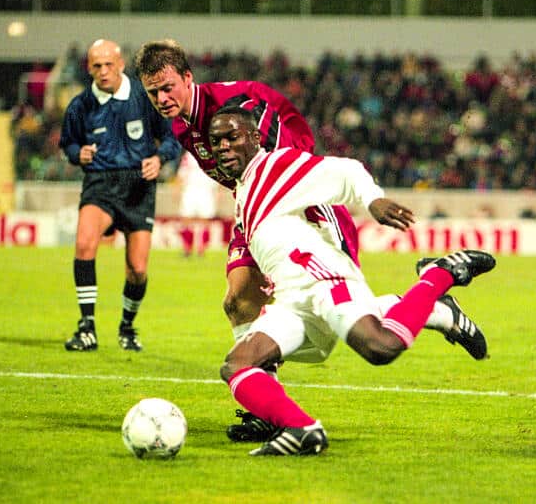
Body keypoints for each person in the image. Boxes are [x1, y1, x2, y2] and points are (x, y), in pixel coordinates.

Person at [134, 39, 487, 441]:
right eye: (153, 93)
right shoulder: (182, 125)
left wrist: (317, 195)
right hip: (253, 209)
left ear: (187, 78)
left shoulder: (238, 104)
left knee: (342, 312)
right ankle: (265, 410)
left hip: (300, 203)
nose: (162, 99)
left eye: (167, 88)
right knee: (239, 301)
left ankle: (434, 307)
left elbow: (289, 148)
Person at [208, 106, 496, 456]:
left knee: (380, 346)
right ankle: (302, 430)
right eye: (216, 142)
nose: (223, 147)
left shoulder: (273, 166)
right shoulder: (244, 189)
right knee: (238, 364)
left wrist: (373, 200)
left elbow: (346, 170)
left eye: (232, 137)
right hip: (292, 300)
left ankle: (440, 274)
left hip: (322, 279)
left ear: (255, 138)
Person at [60, 39, 180, 352]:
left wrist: (159, 159)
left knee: (137, 269)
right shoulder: (80, 105)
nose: (103, 71)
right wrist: (78, 154)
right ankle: (87, 327)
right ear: (89, 68)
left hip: (138, 186)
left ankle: (127, 326)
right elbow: (68, 143)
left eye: (108, 65)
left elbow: (171, 138)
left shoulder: (145, 97)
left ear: (121, 65)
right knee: (84, 244)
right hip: (99, 182)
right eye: (96, 66)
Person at [176, 151, 219, 257]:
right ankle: (187, 248)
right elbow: (182, 172)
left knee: (205, 220)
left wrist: (217, 190)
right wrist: (178, 188)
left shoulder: (212, 153)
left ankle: (202, 249)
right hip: (190, 189)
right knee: (186, 219)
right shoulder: (189, 154)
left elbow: (217, 172)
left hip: (207, 190)